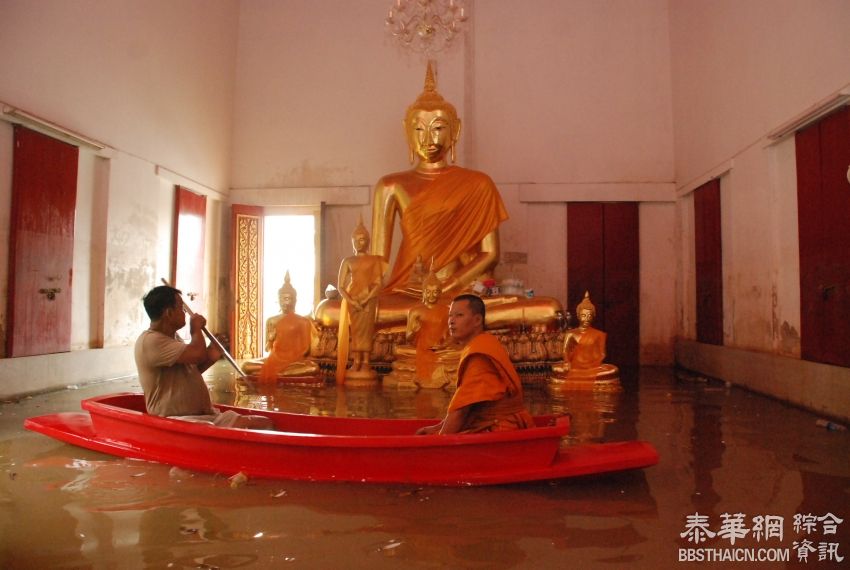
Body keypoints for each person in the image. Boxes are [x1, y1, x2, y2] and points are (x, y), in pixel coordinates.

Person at [313, 62, 562, 332]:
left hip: (463, 295)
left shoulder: (478, 183)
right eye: (419, 129)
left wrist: (447, 285)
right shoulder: (391, 185)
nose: (428, 137)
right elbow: (378, 263)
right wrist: (360, 293)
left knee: (548, 308)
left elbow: (490, 254)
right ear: (406, 131)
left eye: (438, 128)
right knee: (328, 312)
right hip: (407, 292)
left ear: (455, 130)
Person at [135, 285, 273, 429]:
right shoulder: (151, 341)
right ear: (169, 313)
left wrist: (212, 353)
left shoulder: (173, 337)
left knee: (264, 423)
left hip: (204, 416)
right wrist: (195, 329)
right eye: (181, 308)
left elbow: (190, 370)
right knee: (209, 428)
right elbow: (197, 354)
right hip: (174, 420)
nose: (184, 313)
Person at [416, 294, 534, 434]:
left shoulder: (479, 354)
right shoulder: (482, 343)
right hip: (496, 422)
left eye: (459, 315)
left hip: (500, 429)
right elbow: (470, 406)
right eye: (450, 316)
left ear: (477, 320)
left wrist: (437, 443)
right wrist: (436, 428)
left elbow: (461, 411)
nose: (451, 321)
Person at [384, 265, 461, 388]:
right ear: (423, 292)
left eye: (435, 292)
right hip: (420, 346)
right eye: (428, 292)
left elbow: (453, 335)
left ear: (440, 292)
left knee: (460, 353)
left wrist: (443, 345)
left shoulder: (447, 310)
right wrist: (414, 332)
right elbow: (408, 338)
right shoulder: (415, 311)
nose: (431, 295)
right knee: (399, 351)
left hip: (441, 348)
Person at [242, 271, 319, 381]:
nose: (285, 302)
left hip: (293, 361)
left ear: (295, 300)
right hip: (274, 359)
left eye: (288, 298)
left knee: (313, 368)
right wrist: (271, 339)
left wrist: (289, 357)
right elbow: (267, 348)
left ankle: (277, 373)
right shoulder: (272, 321)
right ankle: (282, 373)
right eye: (282, 298)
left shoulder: (303, 322)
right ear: (278, 300)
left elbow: (306, 349)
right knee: (246, 366)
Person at [336, 218, 387, 379]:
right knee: (356, 332)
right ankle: (356, 360)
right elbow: (340, 286)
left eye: (362, 239)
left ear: (368, 241)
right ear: (352, 242)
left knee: (367, 331)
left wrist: (366, 300)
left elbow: (379, 283)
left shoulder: (374, 260)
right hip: (353, 299)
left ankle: (366, 361)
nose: (359, 243)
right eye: (356, 240)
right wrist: (351, 301)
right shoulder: (348, 261)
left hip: (369, 299)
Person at [550, 291, 619, 383]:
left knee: (612, 370)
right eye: (583, 315)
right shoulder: (571, 333)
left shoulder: (599, 334)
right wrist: (567, 362)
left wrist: (593, 362)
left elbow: (602, 354)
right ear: (578, 316)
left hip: (592, 366)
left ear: (593, 317)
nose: (586, 318)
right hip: (575, 365)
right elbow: (565, 351)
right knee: (556, 368)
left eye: (589, 316)